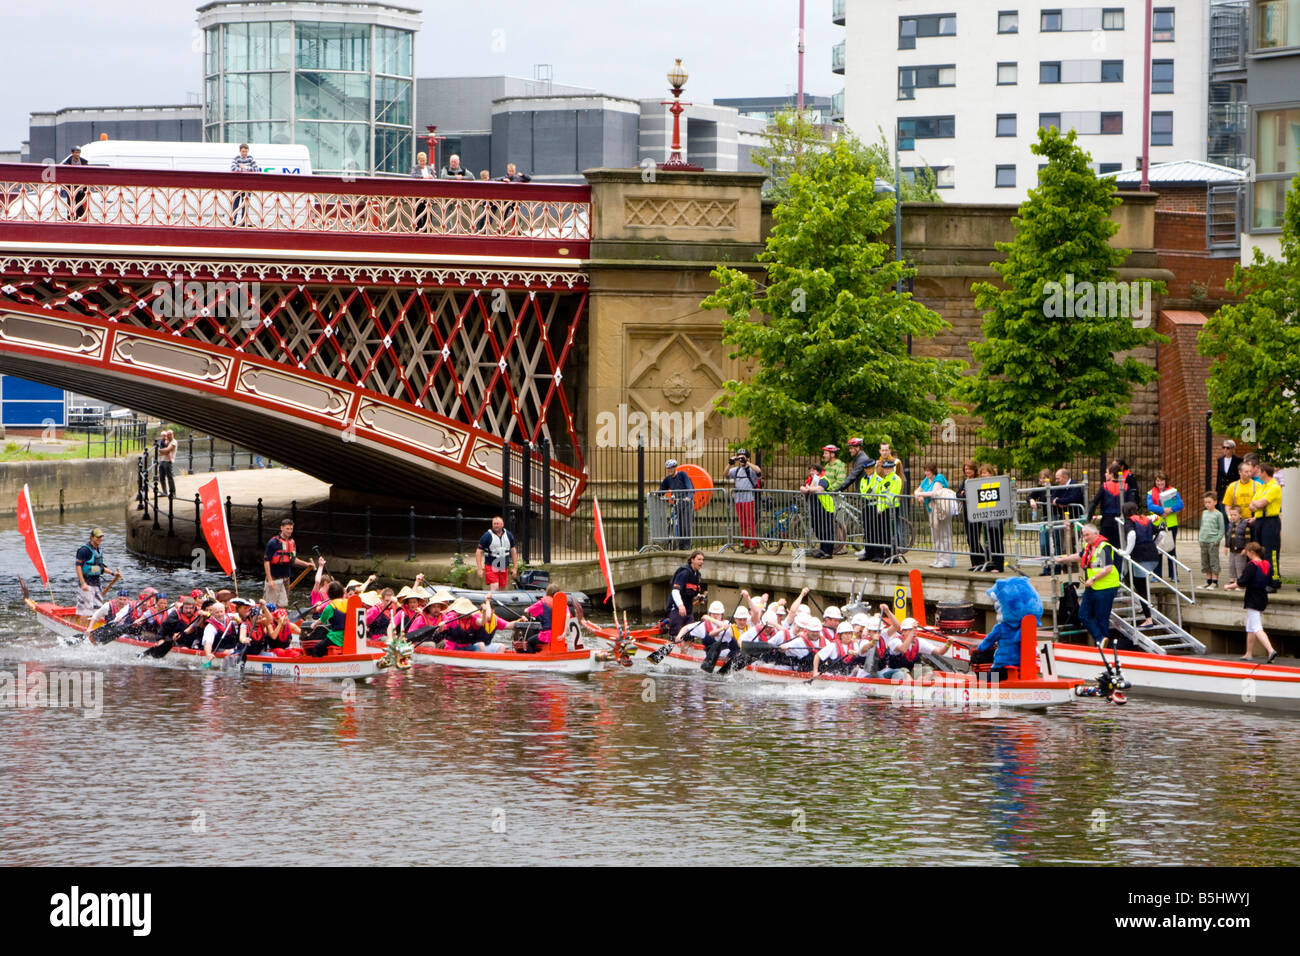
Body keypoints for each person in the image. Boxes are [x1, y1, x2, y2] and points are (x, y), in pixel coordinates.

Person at [1061, 523, 1120, 647]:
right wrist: (1062, 559)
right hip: (1092, 587)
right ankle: (1100, 639)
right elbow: (1080, 555)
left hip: (1105, 587)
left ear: (1096, 534)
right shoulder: (1089, 547)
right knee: (1083, 614)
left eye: (1087, 535)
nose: (1085, 538)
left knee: (1101, 618)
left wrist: (1093, 578)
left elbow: (1108, 568)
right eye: (1083, 535)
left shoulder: (1103, 547)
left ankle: (1103, 648)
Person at [877, 607, 952, 680]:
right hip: (896, 670)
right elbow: (903, 649)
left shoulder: (919, 642)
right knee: (906, 674)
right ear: (903, 631)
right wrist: (912, 633)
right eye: (911, 630)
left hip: (912, 669)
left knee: (928, 672)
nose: (914, 633)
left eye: (915, 630)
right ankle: (913, 687)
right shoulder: (895, 641)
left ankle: (919, 688)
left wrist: (948, 644)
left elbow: (940, 651)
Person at [1120, 502, 1160, 628]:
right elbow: (1162, 532)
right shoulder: (1146, 520)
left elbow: (1132, 534)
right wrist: (1154, 544)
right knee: (1128, 576)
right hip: (1153, 556)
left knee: (1141, 587)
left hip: (1140, 557)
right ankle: (1143, 605)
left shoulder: (1129, 522)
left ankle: (1148, 619)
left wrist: (1126, 552)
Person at [1237, 542, 1278, 663]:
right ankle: (1248, 653)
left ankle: (1271, 650)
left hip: (1252, 598)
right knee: (1250, 626)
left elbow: (1242, 582)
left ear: (1251, 552)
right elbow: (1271, 582)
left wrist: (1229, 586)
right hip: (1262, 597)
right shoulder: (1266, 564)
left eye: (1247, 552)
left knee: (1256, 627)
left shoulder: (1252, 565)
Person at [263, 517, 313, 607]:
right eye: (287, 529)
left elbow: (293, 560)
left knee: (283, 603)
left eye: (291, 529)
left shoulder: (292, 542)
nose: (289, 531)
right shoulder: (273, 543)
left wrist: (307, 564)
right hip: (275, 577)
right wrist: (270, 580)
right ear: (281, 528)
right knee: (271, 604)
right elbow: (266, 562)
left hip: (286, 577)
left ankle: (280, 618)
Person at [1248, 462, 1282, 593]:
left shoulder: (1274, 486)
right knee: (1260, 551)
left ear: (1264, 472)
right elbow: (1252, 505)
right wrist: (1255, 504)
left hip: (1270, 522)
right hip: (1260, 521)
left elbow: (1260, 503)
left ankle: (1274, 581)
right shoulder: (1262, 487)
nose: (1257, 474)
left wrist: (1256, 504)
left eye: (1259, 471)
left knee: (1271, 552)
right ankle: (1264, 579)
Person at [916, 461, 954, 568]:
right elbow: (916, 491)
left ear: (933, 471)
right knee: (936, 535)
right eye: (925, 470)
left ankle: (946, 560)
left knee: (944, 534)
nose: (926, 473)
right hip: (931, 510)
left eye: (928, 471)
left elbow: (934, 493)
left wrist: (920, 494)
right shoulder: (926, 480)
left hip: (941, 510)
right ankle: (938, 558)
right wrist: (919, 495)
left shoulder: (939, 478)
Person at [1147, 471, 1183, 582]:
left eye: (1162, 480)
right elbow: (1150, 506)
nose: (1159, 482)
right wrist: (1162, 510)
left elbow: (1180, 504)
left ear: (1165, 481)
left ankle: (1174, 575)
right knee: (1157, 550)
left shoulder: (1173, 491)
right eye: (1157, 480)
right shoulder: (1151, 492)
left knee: (1171, 549)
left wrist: (1170, 510)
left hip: (1171, 523)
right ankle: (1157, 576)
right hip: (1157, 524)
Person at [75, 528, 118, 619]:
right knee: (86, 610)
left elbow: (100, 567)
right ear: (92, 537)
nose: (99, 539)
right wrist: (83, 583)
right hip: (86, 582)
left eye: (101, 537)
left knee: (98, 609)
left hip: (96, 583)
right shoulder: (84, 550)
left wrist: (113, 573)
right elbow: (78, 566)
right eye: (97, 537)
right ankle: (83, 630)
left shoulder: (99, 550)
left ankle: (94, 629)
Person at [725, 449, 762, 552]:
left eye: (743, 457)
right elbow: (725, 474)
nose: (740, 460)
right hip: (738, 499)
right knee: (742, 523)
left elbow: (758, 471)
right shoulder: (736, 470)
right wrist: (729, 464)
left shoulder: (750, 469)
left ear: (747, 458)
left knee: (750, 522)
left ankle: (753, 545)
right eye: (739, 457)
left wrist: (747, 462)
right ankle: (746, 544)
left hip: (748, 498)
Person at [1087, 465, 1126, 551]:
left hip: (1107, 521)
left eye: (1107, 472)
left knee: (1105, 547)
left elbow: (1094, 503)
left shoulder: (1105, 486)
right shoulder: (1125, 487)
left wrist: (1088, 519)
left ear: (1112, 474)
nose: (1105, 474)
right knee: (1119, 548)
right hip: (1121, 521)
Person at [801, 462, 836, 558]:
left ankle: (828, 552)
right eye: (810, 470)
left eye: (813, 470)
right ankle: (822, 549)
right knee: (818, 529)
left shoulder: (823, 479)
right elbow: (802, 487)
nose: (811, 472)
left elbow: (819, 489)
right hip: (815, 509)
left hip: (825, 508)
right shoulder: (810, 480)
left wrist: (809, 489)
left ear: (818, 471)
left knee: (826, 530)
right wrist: (806, 489)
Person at [666, 550, 704, 634]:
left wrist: (698, 597)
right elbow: (675, 591)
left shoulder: (697, 575)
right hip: (676, 609)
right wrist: (680, 606)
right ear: (692, 560)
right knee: (676, 635)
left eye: (702, 560)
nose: (701, 562)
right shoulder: (684, 573)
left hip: (688, 610)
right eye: (699, 559)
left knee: (690, 635)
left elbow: (691, 591)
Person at [475, 515, 518, 591]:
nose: (496, 525)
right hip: (491, 564)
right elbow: (478, 552)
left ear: (502, 524)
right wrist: (479, 569)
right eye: (494, 524)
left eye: (498, 524)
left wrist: (515, 568)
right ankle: (492, 601)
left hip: (503, 564)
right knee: (495, 586)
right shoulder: (487, 536)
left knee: (502, 588)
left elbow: (513, 551)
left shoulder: (508, 535)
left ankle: (498, 602)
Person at [306, 581, 348, 656]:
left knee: (317, 648)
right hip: (348, 637)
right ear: (341, 592)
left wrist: (314, 624)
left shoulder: (330, 607)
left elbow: (321, 620)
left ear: (329, 594)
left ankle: (319, 666)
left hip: (336, 638)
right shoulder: (348, 602)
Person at [659, 459, 694, 549]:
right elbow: (661, 490)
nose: (669, 470)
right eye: (668, 468)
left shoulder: (682, 474)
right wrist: (654, 495)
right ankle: (675, 545)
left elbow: (689, 487)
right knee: (675, 524)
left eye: (671, 468)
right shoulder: (668, 479)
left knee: (685, 525)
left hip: (686, 502)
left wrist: (689, 497)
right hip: (677, 503)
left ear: (675, 467)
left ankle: (686, 546)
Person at [518, 584, 563, 653]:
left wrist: (527, 611)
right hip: (559, 636)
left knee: (529, 642)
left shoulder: (542, 603)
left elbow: (527, 610)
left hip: (547, 636)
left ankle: (532, 660)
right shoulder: (561, 603)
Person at [977, 463, 1005, 572]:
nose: (983, 475)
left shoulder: (996, 483)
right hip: (986, 517)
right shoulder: (980, 484)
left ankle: (999, 565)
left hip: (996, 517)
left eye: (985, 473)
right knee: (988, 541)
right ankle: (990, 562)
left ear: (991, 473)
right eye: (981, 474)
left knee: (996, 540)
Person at [1051, 468, 1085, 557]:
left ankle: (1071, 567)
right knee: (1064, 546)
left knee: (1070, 543)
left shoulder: (1075, 485)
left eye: (1058, 478)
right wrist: (1059, 502)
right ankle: (1068, 568)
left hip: (1076, 519)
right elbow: (1051, 496)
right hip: (1064, 518)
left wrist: (1058, 501)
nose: (1056, 481)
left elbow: (1072, 499)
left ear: (1065, 477)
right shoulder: (1059, 486)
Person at [1027, 468, 1056, 575]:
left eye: (1045, 478)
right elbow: (1029, 496)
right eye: (1041, 478)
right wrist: (1032, 500)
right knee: (1044, 544)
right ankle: (1046, 568)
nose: (1042, 480)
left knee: (1055, 544)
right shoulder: (1040, 488)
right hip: (1045, 518)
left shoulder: (1055, 488)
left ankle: (1056, 569)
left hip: (1056, 517)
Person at [956, 459, 983, 571]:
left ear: (974, 470)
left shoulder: (977, 480)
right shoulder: (965, 481)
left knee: (974, 537)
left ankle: (980, 560)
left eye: (969, 469)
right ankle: (976, 562)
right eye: (966, 469)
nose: (967, 471)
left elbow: (973, 495)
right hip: (967, 512)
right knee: (969, 538)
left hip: (976, 512)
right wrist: (963, 495)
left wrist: (965, 494)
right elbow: (958, 494)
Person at [875, 458, 905, 562]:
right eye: (885, 468)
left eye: (888, 468)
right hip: (883, 510)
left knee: (891, 533)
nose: (887, 470)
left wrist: (882, 507)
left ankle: (893, 555)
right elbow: (880, 495)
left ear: (892, 468)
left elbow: (891, 496)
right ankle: (887, 554)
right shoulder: (884, 479)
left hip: (891, 508)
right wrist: (879, 507)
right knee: (885, 533)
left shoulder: (896, 479)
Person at [855, 456, 881, 561]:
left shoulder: (878, 479)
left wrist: (867, 494)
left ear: (873, 468)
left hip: (874, 505)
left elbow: (874, 491)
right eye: (866, 469)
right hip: (866, 505)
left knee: (875, 530)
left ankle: (876, 553)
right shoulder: (863, 479)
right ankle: (868, 552)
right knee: (867, 530)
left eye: (869, 468)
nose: (868, 470)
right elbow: (863, 491)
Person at [1198, 493, 1225, 590]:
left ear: (1215, 502)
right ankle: (1208, 581)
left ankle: (1215, 582)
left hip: (1213, 541)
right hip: (1203, 540)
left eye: (1209, 502)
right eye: (1205, 502)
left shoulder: (1219, 514)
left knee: (1214, 561)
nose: (1207, 504)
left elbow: (1221, 529)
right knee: (1205, 561)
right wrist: (1200, 538)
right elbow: (1202, 526)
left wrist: (1216, 540)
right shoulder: (1204, 513)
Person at [1223, 505, 1251, 592]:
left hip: (1240, 550)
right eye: (1231, 515)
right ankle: (1232, 582)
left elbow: (1248, 538)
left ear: (1240, 515)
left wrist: (1246, 549)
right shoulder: (1231, 524)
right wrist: (1226, 546)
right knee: (1232, 566)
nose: (1232, 517)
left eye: (1235, 515)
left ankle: (1241, 584)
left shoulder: (1245, 525)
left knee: (1240, 566)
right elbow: (1228, 536)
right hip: (1232, 549)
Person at [1214, 439, 1242, 521]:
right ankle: (1226, 533)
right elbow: (1219, 475)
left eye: (1228, 448)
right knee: (1224, 514)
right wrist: (1217, 490)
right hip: (1222, 490)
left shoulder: (1239, 460)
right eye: (1224, 447)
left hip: (1233, 489)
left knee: (1234, 513)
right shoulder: (1220, 460)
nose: (1225, 450)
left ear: (1233, 449)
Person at [230, 143, 258, 226]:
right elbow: (233, 169)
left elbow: (256, 169)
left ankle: (243, 223)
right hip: (236, 186)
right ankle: (233, 223)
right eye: (243, 151)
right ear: (240, 151)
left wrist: (244, 167)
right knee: (235, 205)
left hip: (247, 186)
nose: (244, 153)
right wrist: (248, 169)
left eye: (246, 151)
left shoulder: (250, 158)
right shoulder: (236, 158)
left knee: (245, 206)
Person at [62, 146, 91, 222]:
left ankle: (79, 219)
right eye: (76, 152)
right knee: (70, 203)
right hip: (70, 186)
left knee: (79, 203)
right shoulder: (67, 163)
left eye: (78, 152)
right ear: (72, 153)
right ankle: (70, 219)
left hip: (80, 187)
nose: (77, 154)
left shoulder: (84, 162)